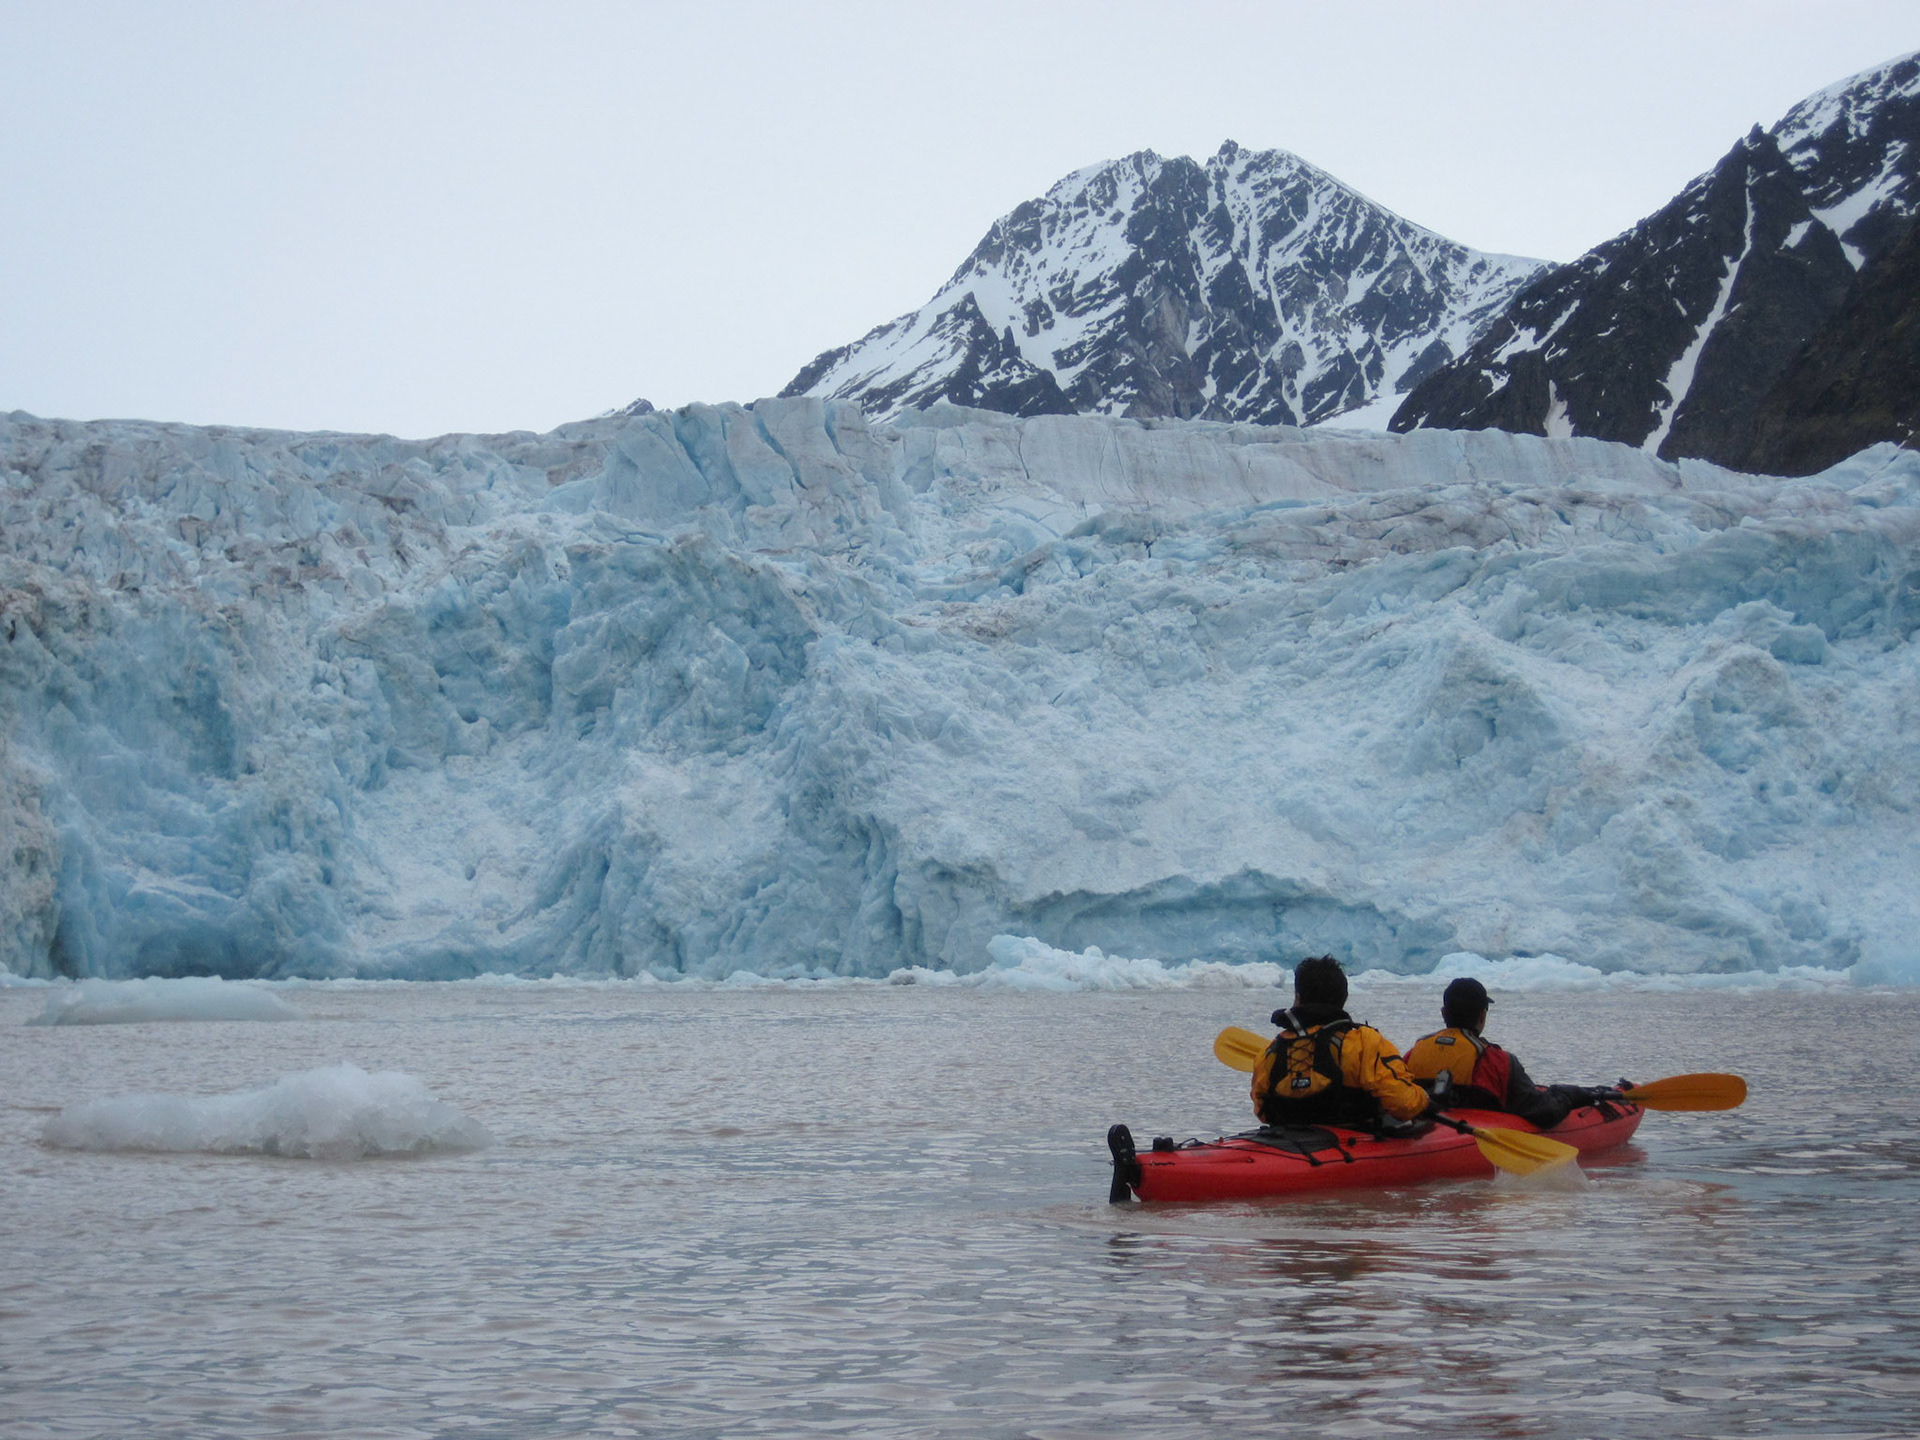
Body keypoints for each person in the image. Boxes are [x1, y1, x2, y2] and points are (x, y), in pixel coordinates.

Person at [1251, 955, 1432, 1130]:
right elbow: (1404, 1104)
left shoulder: (1271, 1051)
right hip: (1353, 1143)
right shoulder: (1365, 1042)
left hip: (1286, 1143)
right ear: (1343, 997)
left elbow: (1263, 1112)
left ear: (1298, 997)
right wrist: (1424, 1099)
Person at [1402, 977, 1574, 1130]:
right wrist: (1568, 1096)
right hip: (1473, 1138)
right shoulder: (1498, 1061)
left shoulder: (1413, 1053)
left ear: (1444, 1013)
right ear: (1482, 1016)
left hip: (1428, 1129)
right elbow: (1545, 1113)